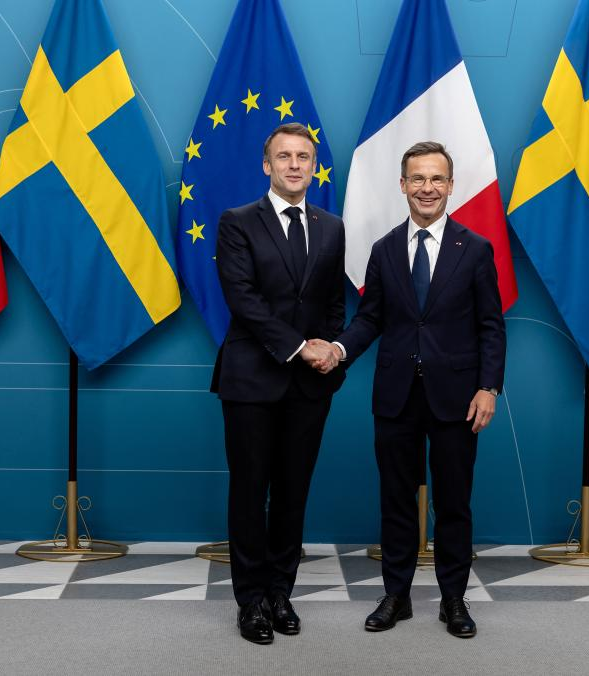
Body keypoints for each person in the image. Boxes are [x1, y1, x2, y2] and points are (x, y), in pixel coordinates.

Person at [323, 141, 505, 638]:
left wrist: (488, 387)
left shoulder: (476, 249)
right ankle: (396, 596)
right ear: (403, 185)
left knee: (454, 504)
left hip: (457, 399)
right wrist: (338, 349)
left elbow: (491, 326)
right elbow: (370, 319)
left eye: (437, 179)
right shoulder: (383, 250)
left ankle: (453, 600)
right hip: (396, 396)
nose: (428, 188)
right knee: (396, 500)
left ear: (451, 185)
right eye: (418, 179)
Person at [211, 122, 344, 645]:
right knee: (249, 493)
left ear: (314, 166)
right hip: (251, 380)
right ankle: (251, 601)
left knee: (293, 494)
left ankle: (280, 593)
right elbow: (242, 298)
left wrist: (330, 349)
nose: (294, 165)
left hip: (309, 386)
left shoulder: (332, 226)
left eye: (302, 157)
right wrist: (298, 346)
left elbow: (333, 302)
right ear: (267, 165)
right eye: (283, 156)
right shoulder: (238, 221)